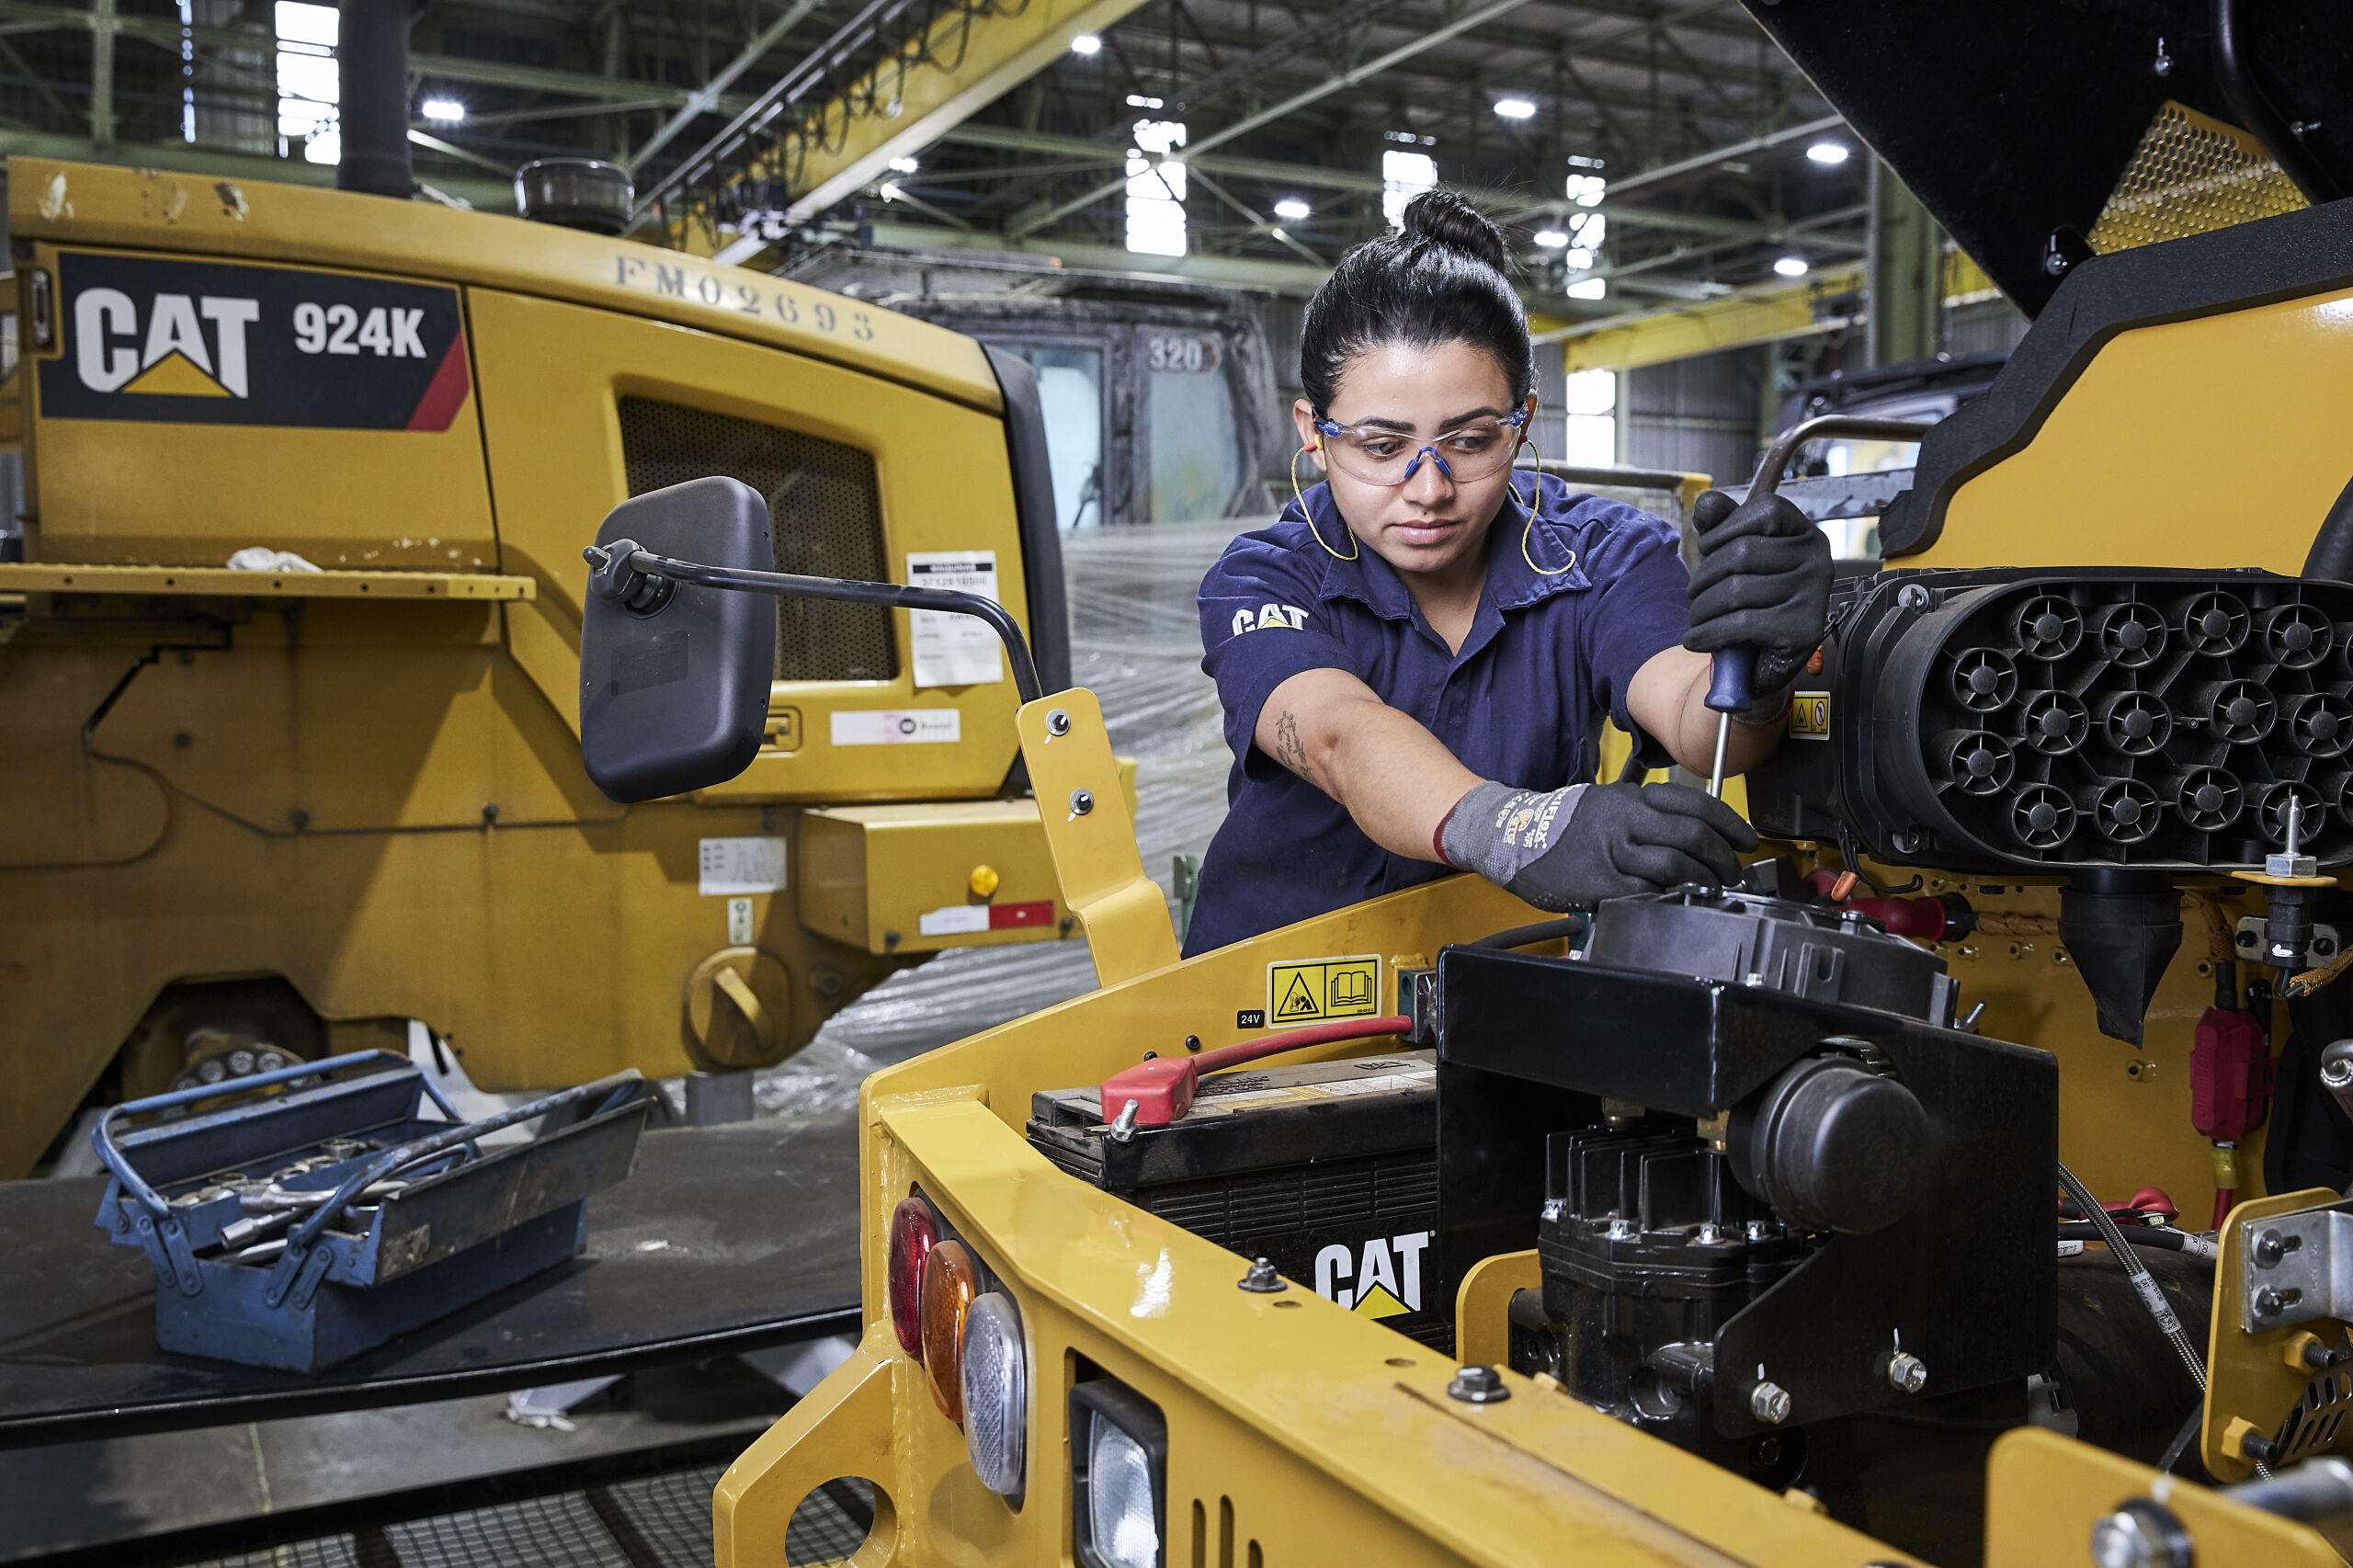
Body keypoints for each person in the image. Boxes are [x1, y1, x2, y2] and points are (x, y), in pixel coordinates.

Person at [1182, 187, 1829, 956]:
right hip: (1266, 1003)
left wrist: (1758, 675)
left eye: (1471, 440)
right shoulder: (1265, 579)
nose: (1429, 488)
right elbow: (1338, 739)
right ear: (1314, 434)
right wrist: (1523, 828)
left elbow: (1697, 722)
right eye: (1383, 447)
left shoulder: (1603, 554)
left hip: (1513, 991)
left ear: (1522, 420)